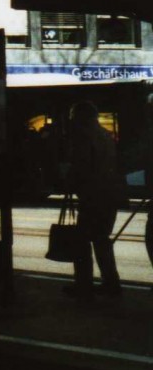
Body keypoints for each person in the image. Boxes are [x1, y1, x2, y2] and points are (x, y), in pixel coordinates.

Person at [65, 101, 124, 299]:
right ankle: (111, 282)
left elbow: (81, 167)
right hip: (109, 195)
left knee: (81, 242)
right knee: (101, 240)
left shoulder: (84, 137)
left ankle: (83, 284)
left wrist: (69, 182)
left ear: (81, 117)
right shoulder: (105, 135)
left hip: (92, 196)